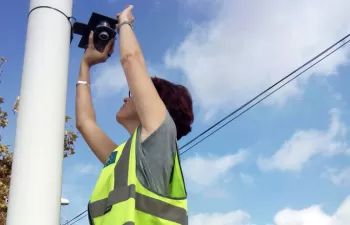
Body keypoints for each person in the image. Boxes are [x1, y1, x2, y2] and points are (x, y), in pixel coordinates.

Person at [75, 5, 194, 225]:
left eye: (132, 94)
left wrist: (124, 23)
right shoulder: (123, 159)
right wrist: (85, 64)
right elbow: (85, 123)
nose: (125, 98)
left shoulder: (161, 134)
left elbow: (131, 60)